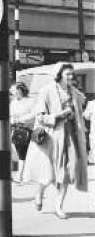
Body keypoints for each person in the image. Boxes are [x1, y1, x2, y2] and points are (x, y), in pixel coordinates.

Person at [23, 63, 88, 219]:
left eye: (72, 74)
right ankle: (39, 194)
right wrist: (59, 115)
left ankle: (59, 207)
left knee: (67, 173)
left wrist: (75, 115)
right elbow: (39, 116)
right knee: (49, 175)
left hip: (71, 138)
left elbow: (82, 107)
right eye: (67, 74)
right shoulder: (47, 91)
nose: (71, 77)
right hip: (52, 138)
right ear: (59, 75)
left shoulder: (75, 93)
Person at [9, 82, 35, 183]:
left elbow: (34, 114)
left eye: (13, 89)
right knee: (20, 153)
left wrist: (21, 119)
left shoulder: (31, 101)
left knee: (25, 153)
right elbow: (11, 115)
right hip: (16, 129)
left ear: (19, 90)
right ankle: (21, 176)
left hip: (28, 129)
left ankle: (23, 176)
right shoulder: (14, 102)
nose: (11, 91)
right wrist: (13, 120)